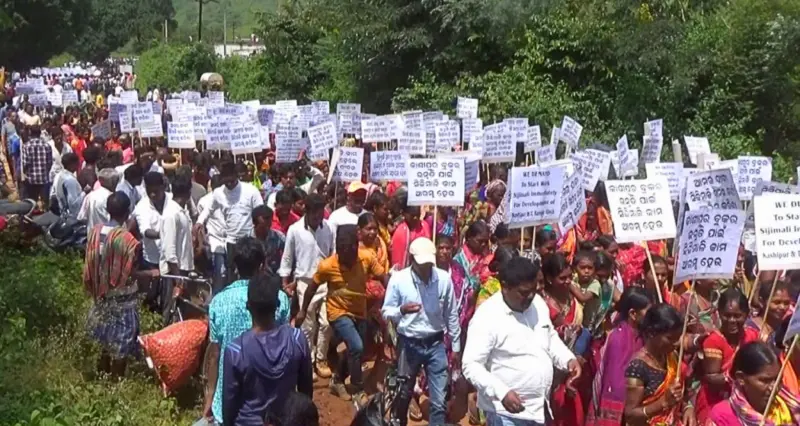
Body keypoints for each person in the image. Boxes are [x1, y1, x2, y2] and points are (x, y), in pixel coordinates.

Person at [463, 256, 580, 426]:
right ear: (505, 287)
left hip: (538, 410)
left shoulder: (538, 304)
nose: (531, 296)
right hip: (504, 414)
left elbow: (550, 337)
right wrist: (502, 392)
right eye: (524, 292)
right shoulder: (487, 316)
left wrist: (568, 359)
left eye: (533, 290)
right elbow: (471, 365)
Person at [203, 237, 292, 425]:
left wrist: (210, 399)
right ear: (262, 266)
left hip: (228, 405)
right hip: (270, 405)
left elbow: (214, 356)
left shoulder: (218, 302)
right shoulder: (279, 299)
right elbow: (286, 347)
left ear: (235, 268)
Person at [300, 224, 386, 403]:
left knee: (357, 350)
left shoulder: (367, 258)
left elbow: (384, 277)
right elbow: (312, 288)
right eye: (342, 252)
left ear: (356, 247)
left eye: (350, 252)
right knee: (357, 346)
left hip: (360, 311)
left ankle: (337, 380)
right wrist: (302, 310)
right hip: (337, 312)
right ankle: (357, 388)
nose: (346, 257)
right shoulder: (327, 266)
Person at [382, 237, 462, 426]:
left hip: (435, 344)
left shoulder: (443, 279)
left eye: (428, 263)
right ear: (412, 259)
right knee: (404, 393)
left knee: (439, 400)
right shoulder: (399, 280)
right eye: (422, 264)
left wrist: (456, 346)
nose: (426, 268)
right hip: (409, 343)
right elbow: (386, 311)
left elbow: (451, 314)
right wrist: (401, 310)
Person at [221, 272, 313, 426]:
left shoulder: (236, 351)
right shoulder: (297, 339)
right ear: (277, 304)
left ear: (248, 306)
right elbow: (305, 396)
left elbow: (229, 409)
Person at [83, 192, 144, 377]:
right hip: (122, 301)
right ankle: (116, 382)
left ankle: (101, 378)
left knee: (102, 342)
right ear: (127, 212)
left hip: (100, 297)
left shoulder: (95, 232)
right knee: (121, 347)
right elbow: (129, 274)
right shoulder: (128, 241)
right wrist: (150, 274)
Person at [278, 193, 334, 381]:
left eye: (321, 212)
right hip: (304, 281)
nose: (318, 216)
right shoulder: (295, 230)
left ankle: (321, 359)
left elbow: (333, 253)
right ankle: (308, 362)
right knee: (308, 325)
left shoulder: (329, 228)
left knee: (327, 323)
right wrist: (285, 282)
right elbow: (287, 257)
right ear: (307, 212)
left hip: (326, 281)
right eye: (315, 213)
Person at [586, 286, 651, 425]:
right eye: (648, 312)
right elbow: (615, 383)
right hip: (619, 410)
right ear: (633, 314)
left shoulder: (639, 335)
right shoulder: (619, 338)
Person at [695, 288, 759, 423]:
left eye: (737, 316)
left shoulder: (752, 336)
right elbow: (712, 380)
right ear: (719, 313)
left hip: (744, 401)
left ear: (746, 314)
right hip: (715, 402)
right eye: (727, 315)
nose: (732, 320)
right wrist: (741, 378)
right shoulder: (714, 341)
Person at [623, 303, 694, 425]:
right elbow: (630, 416)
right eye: (670, 338)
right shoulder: (638, 367)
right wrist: (662, 403)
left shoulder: (672, 357)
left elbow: (680, 395)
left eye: (677, 338)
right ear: (651, 333)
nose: (676, 343)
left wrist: (688, 408)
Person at [198, 160, 264, 283]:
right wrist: (199, 222)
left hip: (249, 240)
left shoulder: (251, 190)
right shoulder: (218, 193)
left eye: (232, 181)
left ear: (237, 176)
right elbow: (208, 210)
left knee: (252, 275)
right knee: (232, 276)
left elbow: (260, 212)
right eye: (226, 182)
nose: (229, 184)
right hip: (231, 242)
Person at [707, 341, 800, 425]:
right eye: (765, 380)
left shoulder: (791, 407)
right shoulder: (723, 417)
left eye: (778, 380)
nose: (774, 388)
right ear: (741, 378)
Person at [197, 175, 227, 288]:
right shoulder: (204, 201)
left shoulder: (229, 198)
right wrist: (203, 242)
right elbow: (201, 224)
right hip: (215, 242)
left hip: (231, 240)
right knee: (220, 273)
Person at [746, 280, 792, 346]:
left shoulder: (786, 330)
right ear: (761, 302)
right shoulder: (748, 328)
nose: (782, 307)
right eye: (777, 302)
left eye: (786, 303)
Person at [453, 220, 493, 296]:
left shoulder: (485, 259)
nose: (483, 244)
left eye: (486, 242)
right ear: (469, 238)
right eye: (480, 241)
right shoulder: (458, 261)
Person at [390, 203, 432, 269]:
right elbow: (398, 262)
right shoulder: (400, 233)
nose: (415, 218)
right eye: (412, 215)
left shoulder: (425, 226)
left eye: (417, 215)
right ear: (404, 214)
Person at [21, 125, 53, 204]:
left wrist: (26, 174)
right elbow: (50, 163)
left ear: (30, 133)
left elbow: (25, 164)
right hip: (44, 179)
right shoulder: (47, 146)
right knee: (45, 203)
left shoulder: (26, 146)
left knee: (32, 203)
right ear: (40, 133)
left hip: (31, 180)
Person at [252, 205, 286, 274]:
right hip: (253, 275)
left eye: (270, 218)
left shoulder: (279, 236)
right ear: (255, 220)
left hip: (274, 275)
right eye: (266, 218)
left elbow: (289, 255)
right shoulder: (247, 238)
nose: (269, 221)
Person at [51, 152, 83, 218]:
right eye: (77, 163)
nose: (78, 165)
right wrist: (85, 193)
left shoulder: (58, 175)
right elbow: (73, 204)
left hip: (60, 212)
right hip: (70, 217)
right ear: (72, 164)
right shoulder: (70, 180)